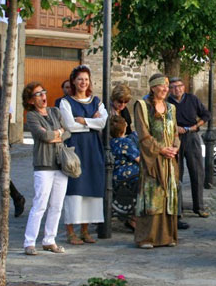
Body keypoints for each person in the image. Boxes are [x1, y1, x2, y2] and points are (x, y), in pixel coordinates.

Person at [59, 65, 107, 245]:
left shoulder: (96, 101)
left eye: (86, 79)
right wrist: (91, 123)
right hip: (76, 148)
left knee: (91, 187)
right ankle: (71, 231)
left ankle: (85, 230)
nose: (83, 83)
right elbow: (70, 125)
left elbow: (102, 122)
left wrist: (84, 120)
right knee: (75, 188)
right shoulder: (66, 102)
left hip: (93, 148)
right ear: (73, 81)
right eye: (80, 79)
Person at [22, 82, 70, 255]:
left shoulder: (55, 112)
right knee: (40, 204)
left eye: (44, 92)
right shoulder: (32, 116)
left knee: (57, 205)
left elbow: (68, 132)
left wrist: (55, 135)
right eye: (38, 94)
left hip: (60, 164)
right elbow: (42, 135)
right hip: (44, 165)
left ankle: (50, 240)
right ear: (30, 100)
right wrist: (58, 133)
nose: (43, 96)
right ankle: (29, 242)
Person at [134, 73, 180, 249]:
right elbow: (143, 134)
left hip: (169, 160)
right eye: (162, 86)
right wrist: (160, 149)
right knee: (152, 195)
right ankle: (148, 238)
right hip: (152, 159)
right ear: (153, 87)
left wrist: (175, 148)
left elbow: (175, 132)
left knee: (168, 195)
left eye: (167, 87)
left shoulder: (171, 108)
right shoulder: (142, 106)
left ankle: (167, 237)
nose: (165, 89)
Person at [167, 77, 210, 219]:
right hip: (174, 139)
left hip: (192, 137)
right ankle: (177, 209)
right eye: (172, 87)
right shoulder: (167, 102)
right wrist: (174, 128)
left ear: (183, 87)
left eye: (178, 86)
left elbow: (206, 114)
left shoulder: (192, 99)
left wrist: (196, 126)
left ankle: (199, 206)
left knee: (197, 172)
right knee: (176, 174)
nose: (176, 89)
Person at [0, 79, 25, 217]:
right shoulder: (2, 95)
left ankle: (16, 198)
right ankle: (17, 197)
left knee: (0, 174)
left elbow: (9, 116)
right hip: (0, 140)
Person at [110, 115, 139, 231]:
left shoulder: (111, 142)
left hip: (116, 175)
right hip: (129, 177)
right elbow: (138, 159)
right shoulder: (126, 142)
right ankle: (134, 218)